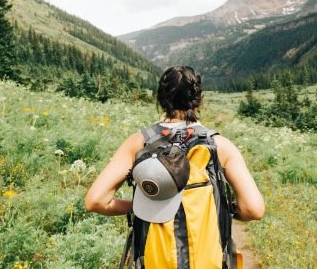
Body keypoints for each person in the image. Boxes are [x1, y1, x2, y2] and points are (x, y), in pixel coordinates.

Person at [85, 65, 264, 221]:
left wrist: (139, 207)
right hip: (208, 258)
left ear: (161, 99)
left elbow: (96, 201)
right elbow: (253, 209)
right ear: (199, 99)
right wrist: (223, 210)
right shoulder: (220, 145)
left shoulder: (139, 142)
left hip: (153, 257)